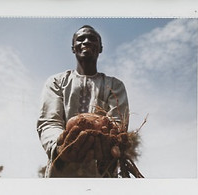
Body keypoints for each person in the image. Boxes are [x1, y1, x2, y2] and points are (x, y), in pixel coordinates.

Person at [37, 25, 129, 177]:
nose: (86, 42)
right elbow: (49, 121)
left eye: (92, 39)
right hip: (61, 173)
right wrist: (59, 147)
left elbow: (118, 123)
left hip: (102, 172)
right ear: (73, 47)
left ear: (100, 48)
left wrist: (112, 141)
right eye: (80, 39)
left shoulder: (114, 85)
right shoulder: (56, 81)